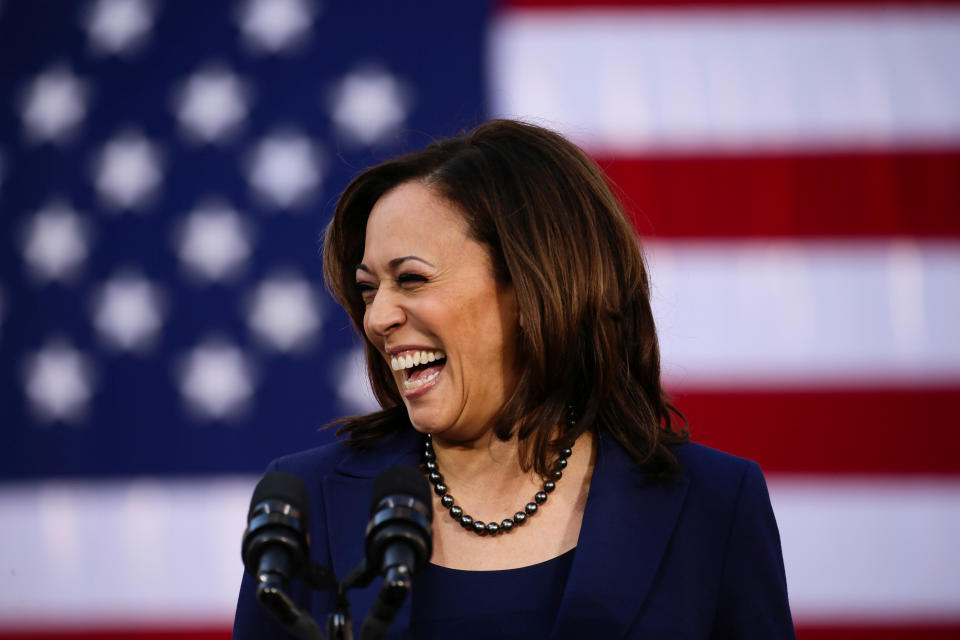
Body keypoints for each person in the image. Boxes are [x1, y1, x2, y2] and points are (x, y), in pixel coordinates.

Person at [234, 120, 795, 639]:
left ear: (533, 288)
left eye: (411, 279)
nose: (377, 318)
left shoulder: (713, 506)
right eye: (368, 288)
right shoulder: (305, 504)